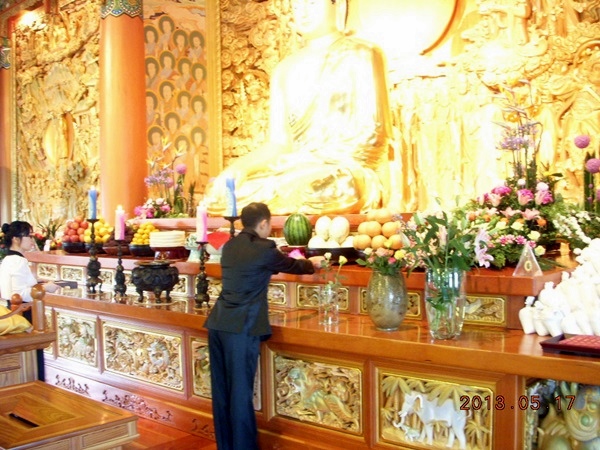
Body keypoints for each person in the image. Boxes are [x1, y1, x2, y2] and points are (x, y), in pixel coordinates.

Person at [205, 0, 394, 215]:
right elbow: (278, 144)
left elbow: (374, 136)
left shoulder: (363, 53)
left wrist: (310, 162)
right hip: (295, 171)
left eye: (312, 3)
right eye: (297, 5)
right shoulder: (284, 69)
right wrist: (240, 167)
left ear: (338, 4)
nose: (303, 12)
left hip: (344, 170)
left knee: (335, 188)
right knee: (222, 193)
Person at [204, 202, 323, 450]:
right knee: (240, 394)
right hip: (241, 327)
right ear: (263, 223)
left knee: (221, 391)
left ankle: (226, 446)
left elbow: (253, 270)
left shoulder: (230, 246)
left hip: (218, 323)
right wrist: (313, 263)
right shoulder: (265, 248)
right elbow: (293, 266)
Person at [0, 221, 60, 380]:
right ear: (16, 239)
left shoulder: (8, 259)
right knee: (33, 353)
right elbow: (20, 294)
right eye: (28, 236)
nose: (32, 240)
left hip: (11, 310)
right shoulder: (18, 261)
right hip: (23, 311)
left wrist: (38, 282)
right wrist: (45, 288)